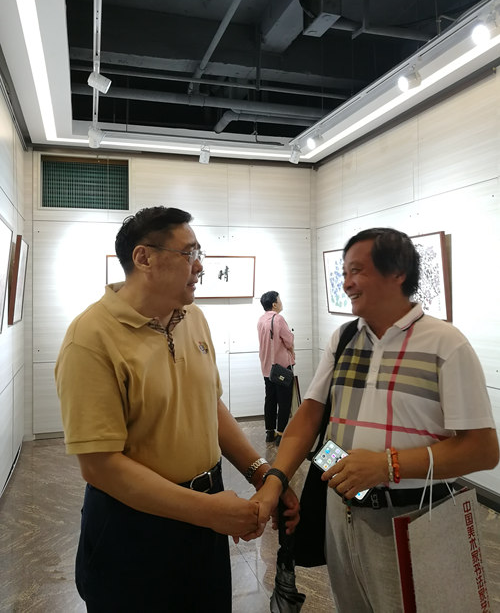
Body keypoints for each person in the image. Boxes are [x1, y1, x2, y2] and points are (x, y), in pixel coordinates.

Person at [55, 206, 298, 613]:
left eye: (199, 253)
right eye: (189, 253)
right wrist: (209, 511)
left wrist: (261, 473)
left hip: (206, 517)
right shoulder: (90, 337)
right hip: (133, 527)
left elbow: (209, 405)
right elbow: (99, 465)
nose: (199, 265)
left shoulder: (193, 318)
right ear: (144, 258)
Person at [253, 227, 499, 613]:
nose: (346, 283)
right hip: (341, 514)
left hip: (414, 517)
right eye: (344, 272)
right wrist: (275, 481)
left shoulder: (446, 344)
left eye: (357, 271)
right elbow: (309, 416)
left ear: (398, 272)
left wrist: (388, 465)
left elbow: (483, 450)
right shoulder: (344, 338)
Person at [257, 291, 295, 445]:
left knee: (270, 399)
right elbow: (288, 341)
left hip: (267, 367)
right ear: (274, 304)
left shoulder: (261, 320)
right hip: (281, 368)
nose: (281, 302)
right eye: (279, 299)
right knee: (284, 401)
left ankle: (269, 432)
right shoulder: (278, 319)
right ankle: (281, 434)